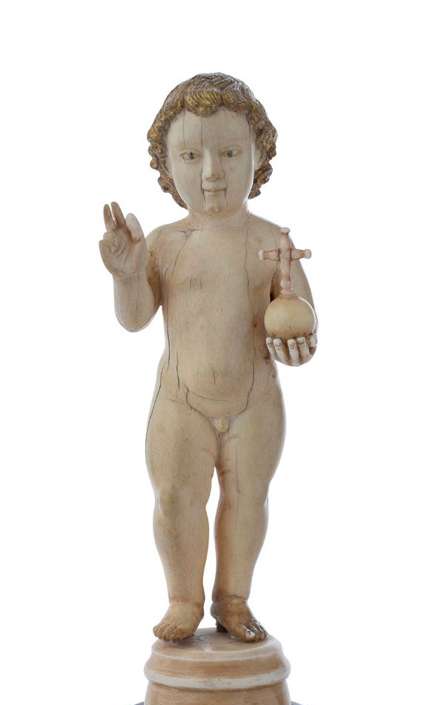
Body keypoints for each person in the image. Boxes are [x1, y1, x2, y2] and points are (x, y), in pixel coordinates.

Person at [99, 73, 317, 642]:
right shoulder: (164, 244)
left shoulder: (272, 242)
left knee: (247, 500)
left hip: (254, 401)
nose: (213, 172)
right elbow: (135, 318)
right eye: (192, 156)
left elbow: (299, 318)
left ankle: (233, 599)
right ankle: (183, 599)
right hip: (181, 401)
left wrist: (298, 344)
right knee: (176, 499)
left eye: (230, 153)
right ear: (166, 166)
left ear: (259, 156)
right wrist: (126, 275)